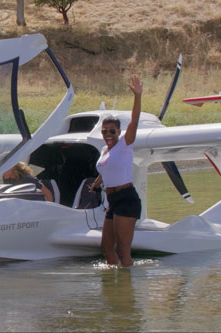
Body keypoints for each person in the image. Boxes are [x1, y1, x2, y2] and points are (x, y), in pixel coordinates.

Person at [89, 75, 143, 266]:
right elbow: (104, 170)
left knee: (123, 250)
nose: (108, 135)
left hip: (127, 198)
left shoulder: (125, 144)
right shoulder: (105, 150)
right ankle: (113, 289)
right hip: (112, 200)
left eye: (112, 131)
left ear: (118, 132)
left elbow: (134, 122)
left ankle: (126, 291)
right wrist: (95, 184)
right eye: (104, 131)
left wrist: (138, 96)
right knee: (106, 248)